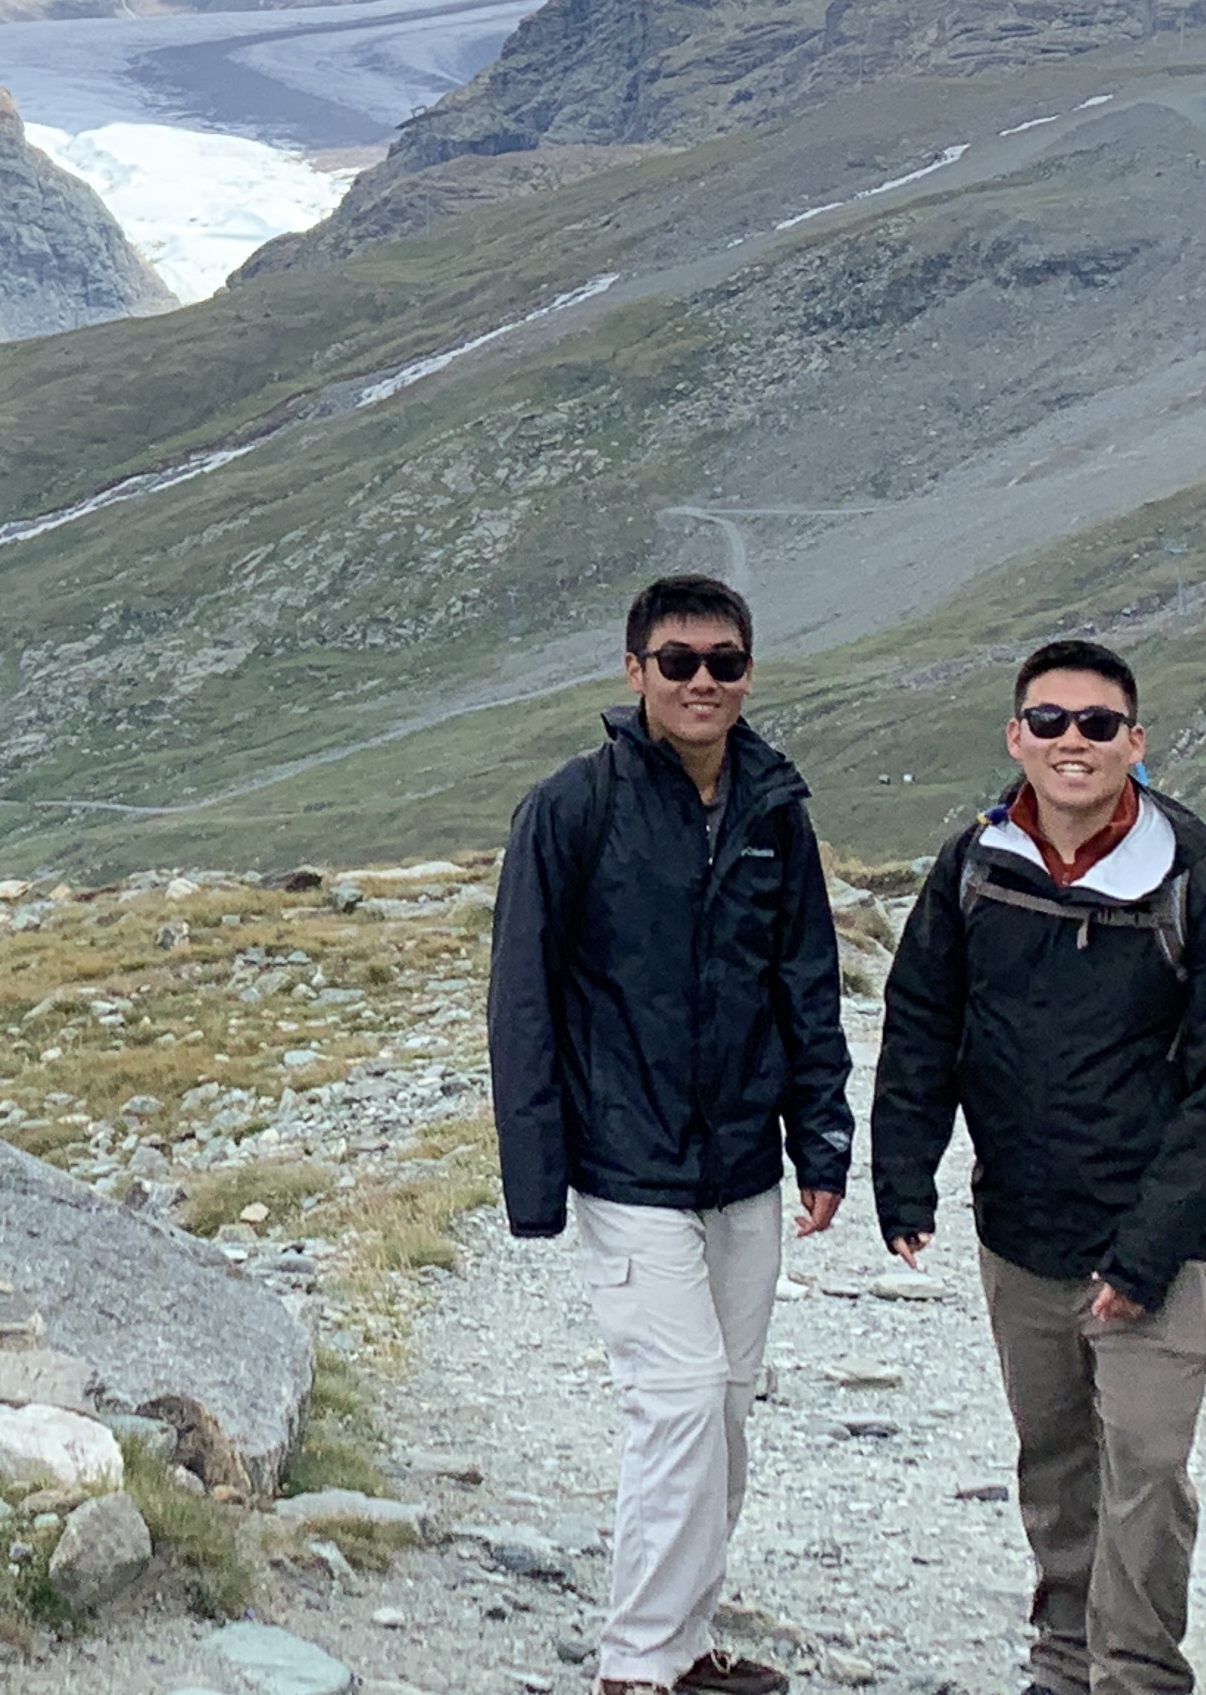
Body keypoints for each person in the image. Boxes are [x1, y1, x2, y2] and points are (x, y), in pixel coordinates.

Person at [870, 642, 1206, 1695]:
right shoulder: (973, 868)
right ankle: (1062, 1661)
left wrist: (1146, 1253)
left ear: (1135, 743)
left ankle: (1137, 1674)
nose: (1071, 742)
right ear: (1017, 737)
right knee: (1055, 1465)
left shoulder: (1199, 890)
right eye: (1049, 722)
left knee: (1148, 1468)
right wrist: (903, 1176)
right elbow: (922, 1025)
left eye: (1097, 724)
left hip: (1152, 1248)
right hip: (1020, 1230)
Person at [489, 573, 853, 1695]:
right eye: (679, 661)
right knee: (683, 1398)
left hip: (742, 1167)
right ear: (634, 671)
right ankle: (636, 1666)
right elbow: (522, 998)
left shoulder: (773, 809)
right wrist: (536, 1180)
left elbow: (806, 983)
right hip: (628, 1164)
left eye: (724, 663)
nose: (703, 682)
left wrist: (821, 1140)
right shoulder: (572, 807)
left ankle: (686, 1644)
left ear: (748, 672)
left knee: (727, 1408)